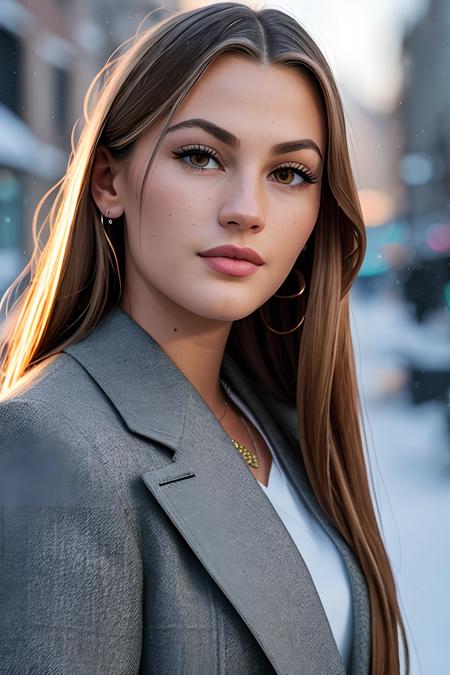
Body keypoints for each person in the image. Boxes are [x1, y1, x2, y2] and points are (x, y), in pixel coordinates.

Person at [0, 3, 410, 674]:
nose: (246, 209)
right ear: (110, 181)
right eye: (201, 156)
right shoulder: (52, 440)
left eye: (289, 173)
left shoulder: (279, 419)